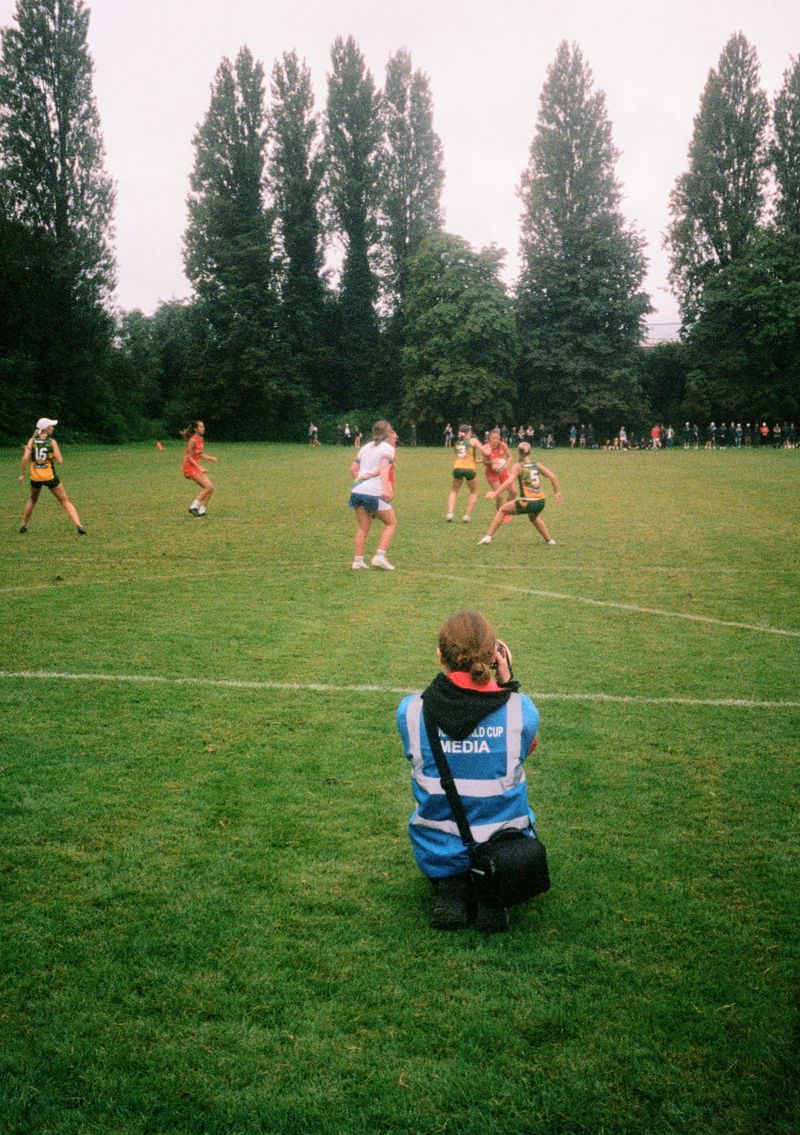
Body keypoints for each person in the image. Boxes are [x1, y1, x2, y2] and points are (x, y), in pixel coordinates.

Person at [397, 610, 543, 933]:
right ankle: (491, 891)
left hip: (437, 850)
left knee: (448, 834)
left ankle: (452, 885)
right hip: (505, 848)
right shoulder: (521, 710)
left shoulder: (410, 712)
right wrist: (507, 681)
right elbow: (527, 746)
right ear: (494, 656)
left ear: (440, 655)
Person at [478, 441, 563, 546]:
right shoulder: (537, 465)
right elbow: (553, 477)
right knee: (533, 518)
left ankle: (488, 537)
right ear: (530, 452)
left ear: (519, 453)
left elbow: (509, 481)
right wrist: (557, 492)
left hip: (527, 501)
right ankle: (549, 540)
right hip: (541, 502)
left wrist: (496, 493)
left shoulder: (518, 466)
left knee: (502, 510)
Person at [18, 418, 86, 535]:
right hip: (50, 476)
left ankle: (23, 525)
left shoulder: (32, 441)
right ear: (46, 428)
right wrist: (52, 456)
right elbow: (60, 460)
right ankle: (79, 525)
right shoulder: (52, 442)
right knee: (64, 501)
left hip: (35, 477)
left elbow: (25, 458)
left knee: (33, 499)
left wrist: (22, 474)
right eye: (51, 426)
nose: (53, 428)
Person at [349, 419, 397, 570]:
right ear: (388, 433)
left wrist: (361, 482)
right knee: (391, 522)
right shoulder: (388, 448)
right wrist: (385, 489)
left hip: (357, 490)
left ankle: (357, 561)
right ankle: (379, 557)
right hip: (374, 491)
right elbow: (384, 469)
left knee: (363, 526)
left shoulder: (365, 447)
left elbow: (352, 470)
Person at [446, 425, 485, 522]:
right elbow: (484, 452)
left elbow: (463, 457)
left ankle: (450, 513)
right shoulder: (473, 441)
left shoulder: (457, 443)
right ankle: (467, 516)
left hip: (458, 467)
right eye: (470, 432)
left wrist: (478, 461)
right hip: (470, 469)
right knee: (474, 491)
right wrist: (484, 459)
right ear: (468, 433)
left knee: (454, 490)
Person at [182, 420, 218, 516]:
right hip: (189, 468)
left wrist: (210, 458)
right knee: (208, 487)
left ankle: (202, 510)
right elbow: (189, 456)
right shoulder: (192, 441)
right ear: (195, 429)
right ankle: (193, 507)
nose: (203, 428)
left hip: (196, 467)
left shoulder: (201, 439)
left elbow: (200, 454)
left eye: (203, 426)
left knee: (211, 488)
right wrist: (200, 467)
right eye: (201, 427)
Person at [482, 427, 514, 522]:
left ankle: (507, 509)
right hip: (492, 473)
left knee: (514, 492)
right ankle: (502, 514)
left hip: (503, 472)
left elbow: (510, 456)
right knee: (499, 496)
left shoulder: (503, 445)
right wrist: (492, 463)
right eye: (493, 438)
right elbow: (484, 462)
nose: (495, 440)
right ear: (490, 438)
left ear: (499, 438)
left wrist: (505, 465)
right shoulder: (486, 448)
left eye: (497, 438)